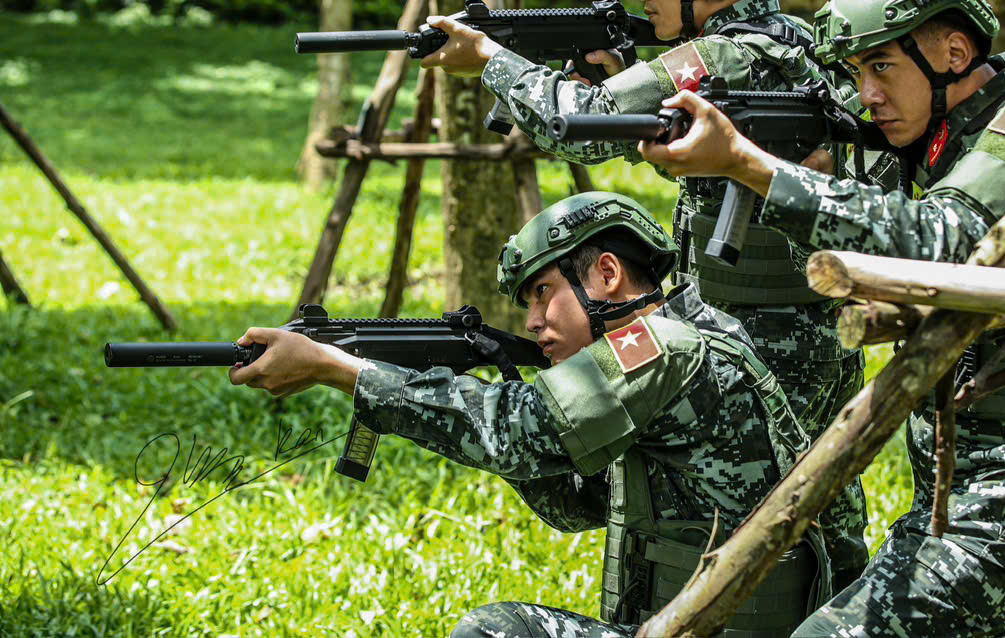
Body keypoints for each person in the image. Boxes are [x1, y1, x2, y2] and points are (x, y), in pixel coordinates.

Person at [639, 0, 1005, 637]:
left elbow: (944, 238)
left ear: (955, 53)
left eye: (881, 68)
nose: (866, 93)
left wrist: (754, 168)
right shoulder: (940, 137)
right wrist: (795, 162)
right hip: (947, 496)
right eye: (855, 73)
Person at [417, 0, 868, 588]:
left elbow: (587, 123)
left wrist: (490, 60)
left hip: (760, 337)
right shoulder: (791, 42)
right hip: (804, 330)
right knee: (794, 506)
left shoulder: (726, 54)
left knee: (735, 519)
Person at [229, 191, 828, 638]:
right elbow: (573, 503)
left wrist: (340, 369)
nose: (532, 322)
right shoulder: (692, 330)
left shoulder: (656, 349)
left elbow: (514, 430)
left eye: (543, 292)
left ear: (607, 274)